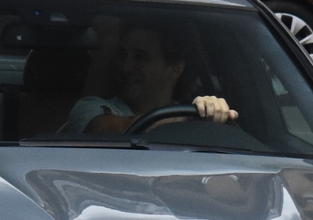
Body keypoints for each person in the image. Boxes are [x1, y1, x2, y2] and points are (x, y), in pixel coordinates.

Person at [62, 21, 239, 135]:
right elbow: (114, 130)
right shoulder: (88, 108)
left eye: (140, 57)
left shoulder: (192, 115)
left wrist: (211, 111)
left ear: (174, 68)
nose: (126, 66)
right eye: (123, 54)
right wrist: (190, 119)